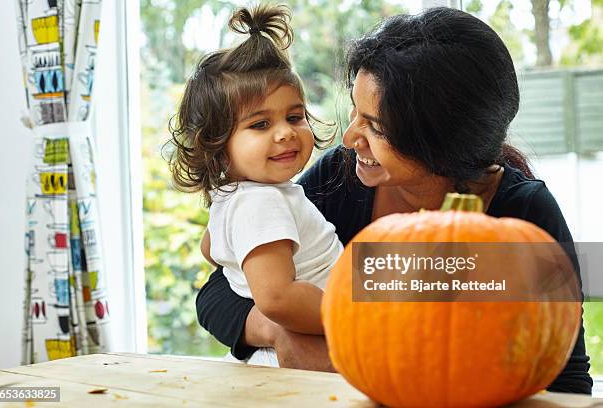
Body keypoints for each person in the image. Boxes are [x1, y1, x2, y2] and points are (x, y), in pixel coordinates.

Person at [195, 6, 593, 393]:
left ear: (437, 141)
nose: (350, 137)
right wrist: (276, 331)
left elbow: (564, 376)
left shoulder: (523, 212)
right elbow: (221, 289)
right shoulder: (342, 178)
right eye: (355, 112)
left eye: (375, 126)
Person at [168, 4, 343, 367]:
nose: (285, 133)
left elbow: (212, 249)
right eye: (260, 125)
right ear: (217, 144)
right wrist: (354, 317)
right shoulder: (261, 202)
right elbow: (277, 299)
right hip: (309, 349)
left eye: (295, 117)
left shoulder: (237, 196)